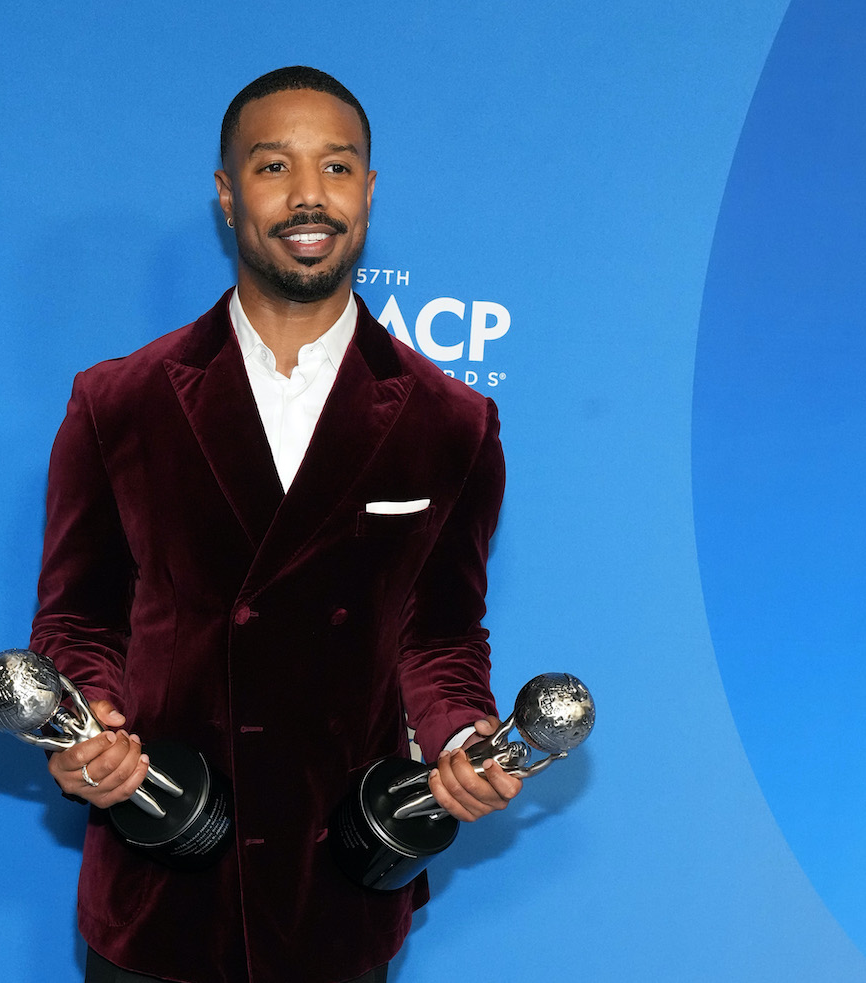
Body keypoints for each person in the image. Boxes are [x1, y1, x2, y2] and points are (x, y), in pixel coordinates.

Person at [30, 65, 521, 983]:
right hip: (160, 869)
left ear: (369, 191)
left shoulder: (452, 421)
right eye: (272, 167)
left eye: (337, 168)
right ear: (227, 194)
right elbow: (78, 618)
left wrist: (462, 741)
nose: (308, 197)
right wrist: (83, 725)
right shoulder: (118, 403)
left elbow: (442, 634)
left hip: (333, 881)